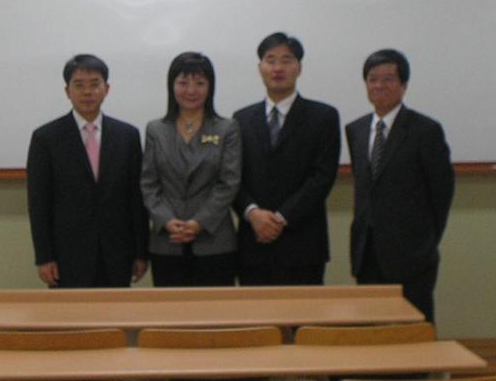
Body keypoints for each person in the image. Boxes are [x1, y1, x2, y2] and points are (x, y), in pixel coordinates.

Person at [347, 48, 455, 322]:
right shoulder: (356, 130)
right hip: (367, 252)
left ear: (404, 85)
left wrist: (425, 243)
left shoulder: (425, 130)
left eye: (388, 79)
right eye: (372, 79)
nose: (379, 86)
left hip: (412, 255)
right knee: (373, 329)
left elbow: (441, 193)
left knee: (415, 331)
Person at [27, 54, 148, 288]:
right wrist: (44, 257)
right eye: (79, 85)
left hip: (117, 252)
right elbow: (38, 203)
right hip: (67, 255)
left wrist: (140, 252)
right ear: (67, 91)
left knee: (116, 311)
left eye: (94, 84)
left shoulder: (127, 136)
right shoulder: (46, 138)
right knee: (71, 313)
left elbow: (136, 199)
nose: (87, 92)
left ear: (106, 89)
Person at [232, 32, 341, 285]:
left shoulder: (323, 116)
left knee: (303, 311)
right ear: (260, 68)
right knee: (254, 311)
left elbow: (322, 177)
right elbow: (232, 177)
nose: (278, 68)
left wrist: (281, 218)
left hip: (303, 244)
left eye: (286, 60)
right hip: (253, 242)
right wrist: (252, 213)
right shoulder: (241, 119)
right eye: (270, 60)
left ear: (299, 68)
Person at [140, 52, 241, 287]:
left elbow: (229, 182)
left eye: (200, 83)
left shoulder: (227, 128)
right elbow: (149, 183)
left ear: (210, 87)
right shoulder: (156, 129)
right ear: (172, 85)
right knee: (169, 310)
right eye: (183, 82)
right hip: (167, 241)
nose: (191, 90)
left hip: (214, 241)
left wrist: (199, 222)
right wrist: (166, 220)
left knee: (216, 309)